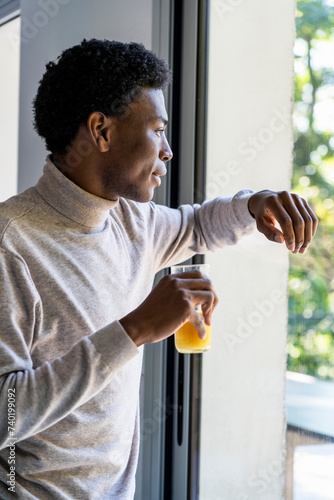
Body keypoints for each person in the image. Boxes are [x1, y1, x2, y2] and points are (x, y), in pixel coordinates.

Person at [0, 39, 317, 499]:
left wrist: (255, 205)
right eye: (157, 130)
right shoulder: (12, 244)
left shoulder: (131, 220)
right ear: (101, 132)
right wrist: (135, 329)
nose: (167, 151)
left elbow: (197, 224)